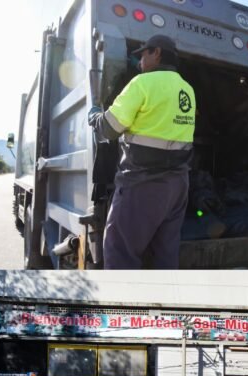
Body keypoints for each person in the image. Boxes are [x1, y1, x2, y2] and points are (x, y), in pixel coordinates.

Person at [89, 35, 196, 269]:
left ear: (157, 53)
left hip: (143, 184)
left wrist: (95, 115)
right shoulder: (187, 90)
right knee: (165, 255)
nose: (140, 61)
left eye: (144, 54)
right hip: (178, 186)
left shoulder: (142, 83)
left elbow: (109, 129)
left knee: (119, 251)